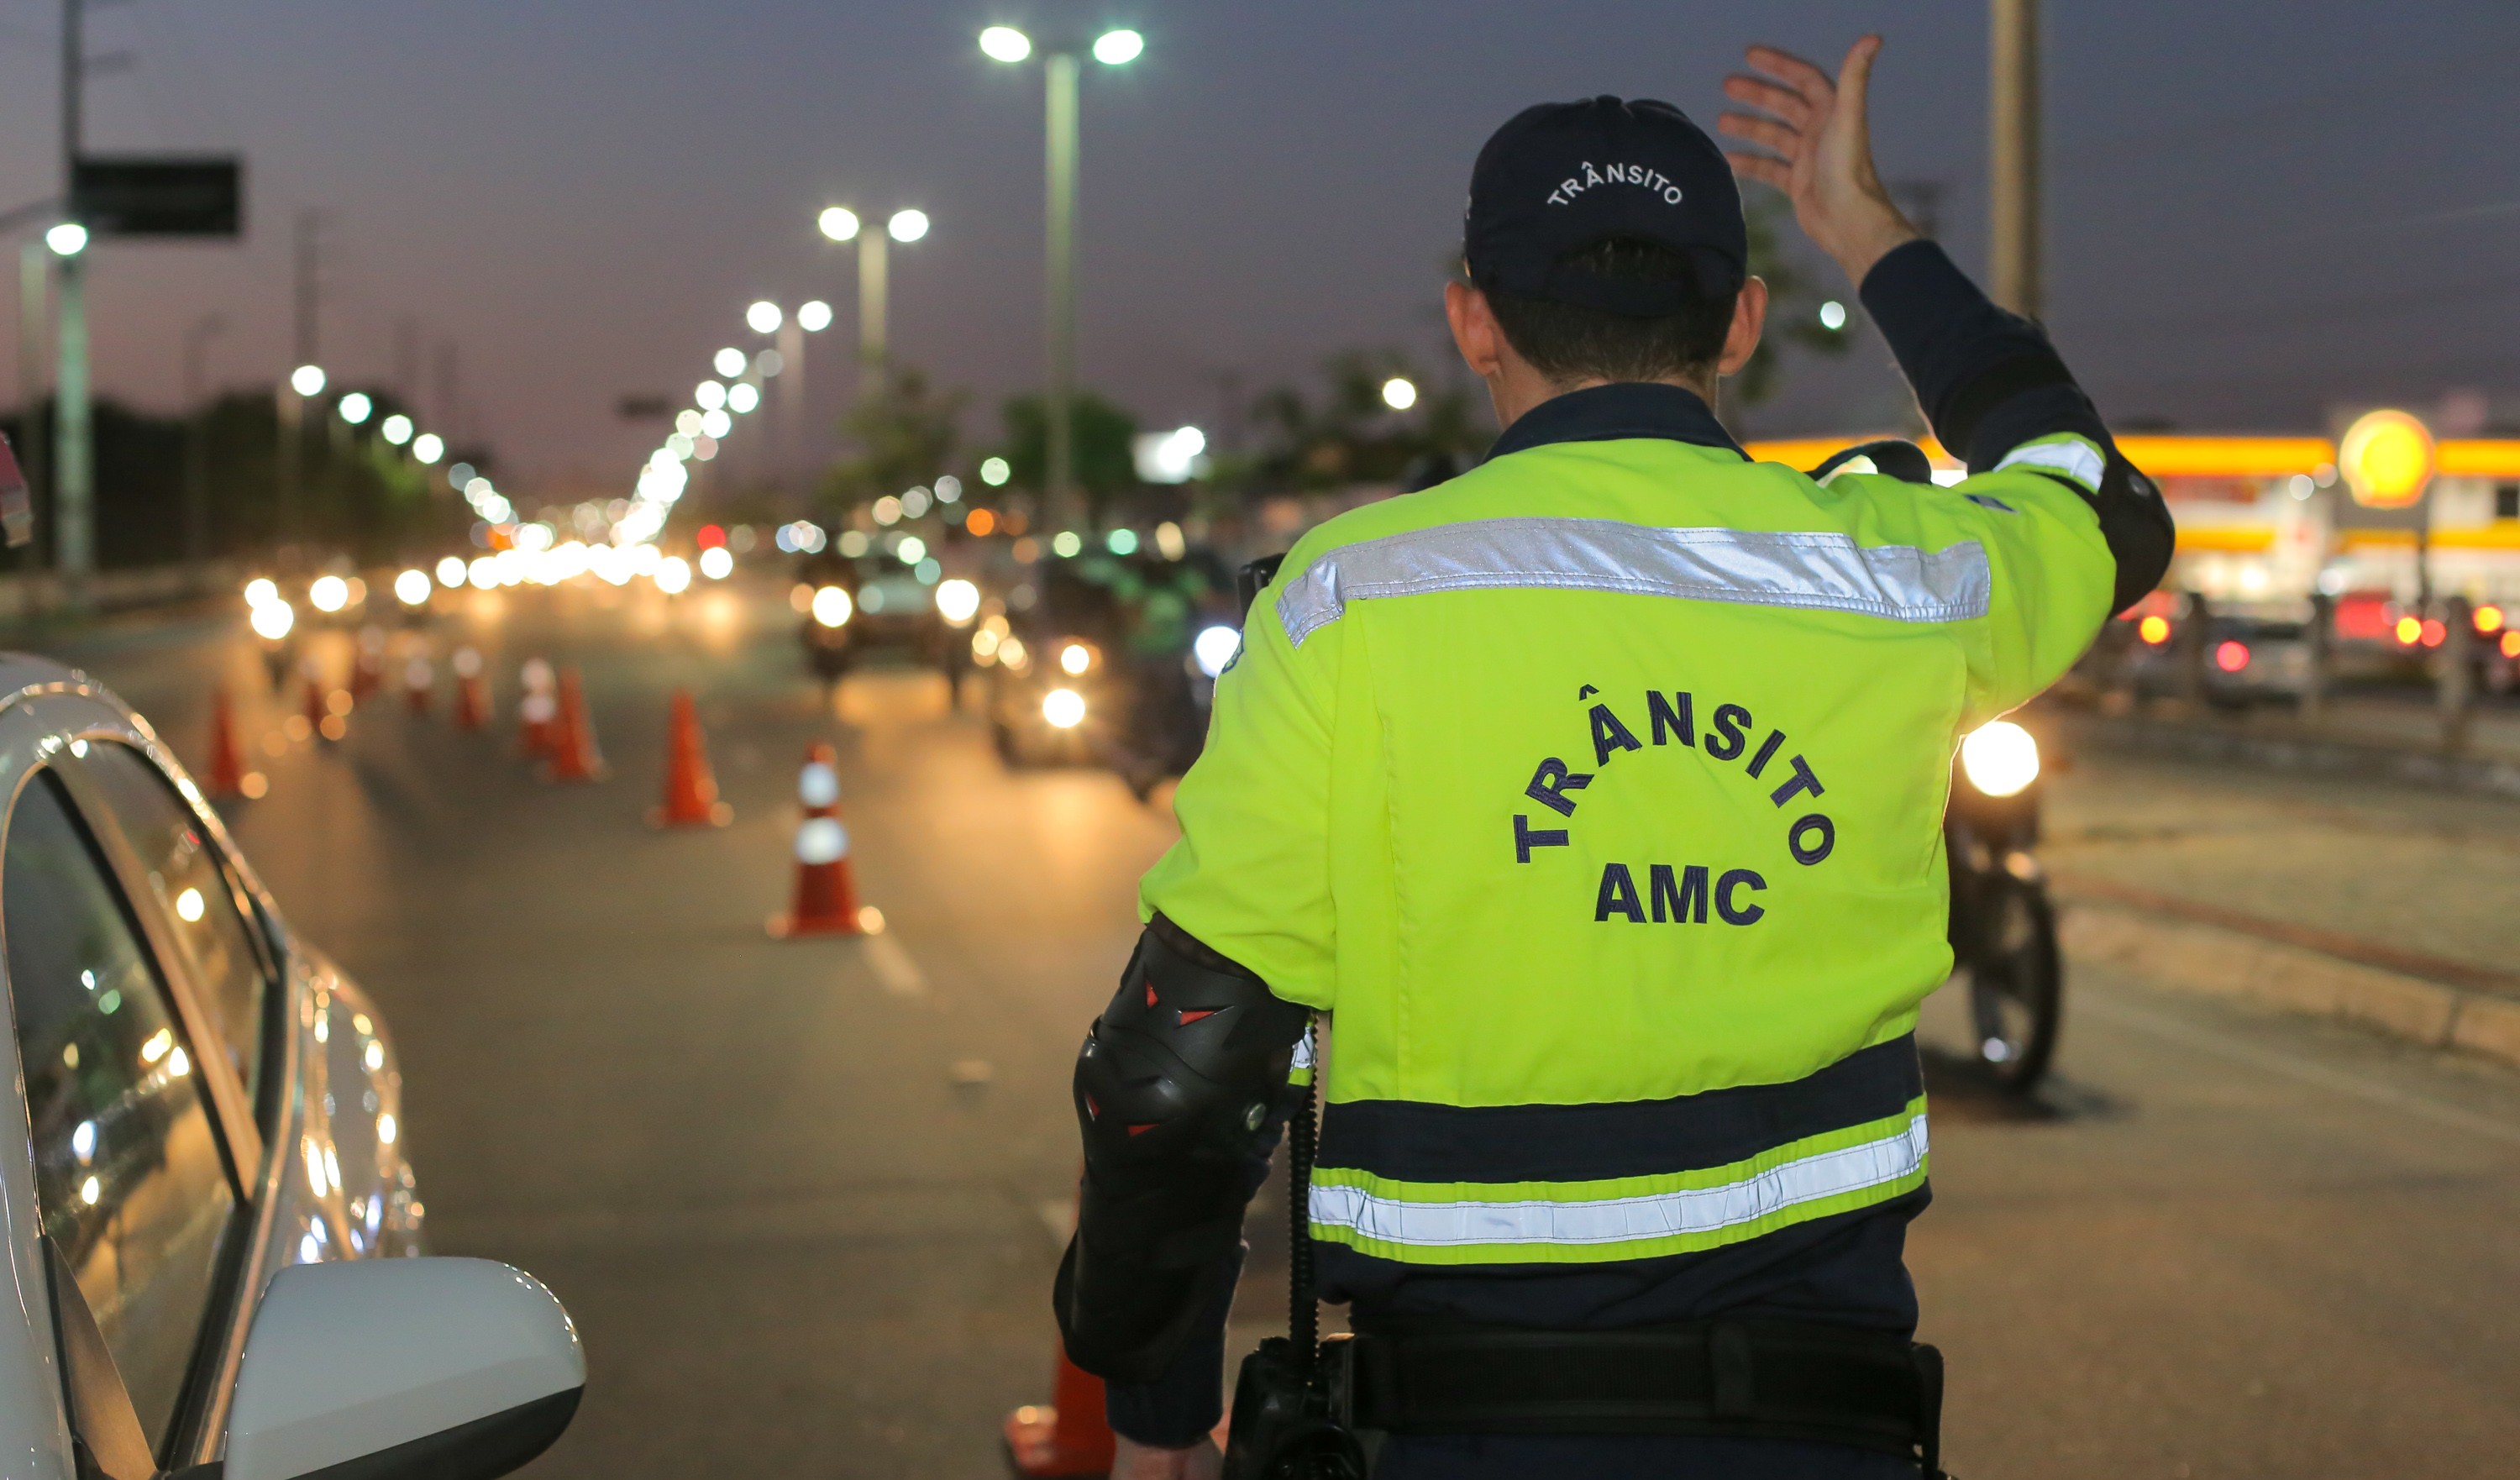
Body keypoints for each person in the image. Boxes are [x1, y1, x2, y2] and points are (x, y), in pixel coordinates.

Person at [1054, 35, 2173, 1480]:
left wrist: (1160, 1414)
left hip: (1458, 1425)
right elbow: (2098, 498)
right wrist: (1869, 230)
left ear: (1473, 320)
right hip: (1824, 1422)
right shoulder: (1902, 577)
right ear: (1743, 321)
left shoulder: (1347, 600)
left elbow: (1183, 1068)